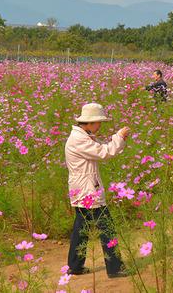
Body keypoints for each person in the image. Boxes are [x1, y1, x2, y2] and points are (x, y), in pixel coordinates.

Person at [65, 103, 131, 279]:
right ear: (90, 122)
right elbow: (105, 152)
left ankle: (75, 266)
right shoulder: (79, 139)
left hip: (82, 188)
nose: (100, 125)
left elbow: (102, 146)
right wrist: (119, 137)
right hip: (87, 191)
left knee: (81, 228)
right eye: (99, 122)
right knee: (106, 227)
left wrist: (116, 138)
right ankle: (115, 268)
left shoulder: (83, 136)